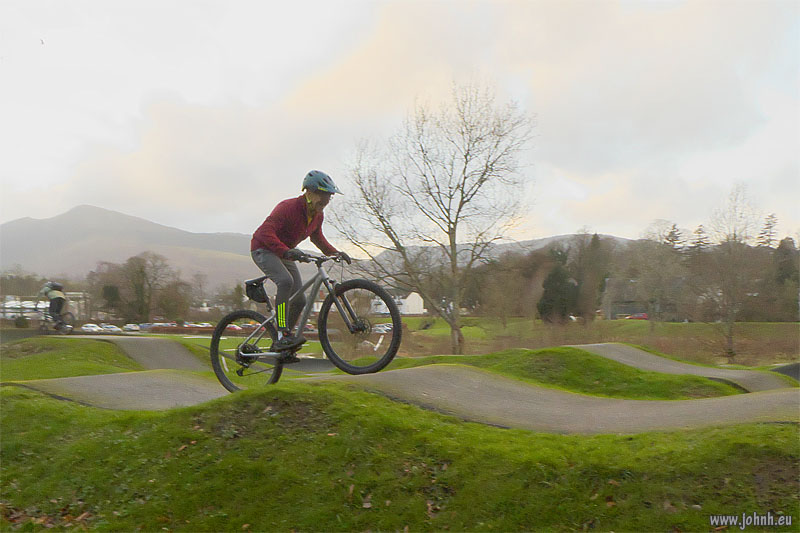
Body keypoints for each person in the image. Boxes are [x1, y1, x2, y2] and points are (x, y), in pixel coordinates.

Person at [251, 170, 351, 351]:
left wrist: (335, 253)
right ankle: (281, 333)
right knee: (285, 281)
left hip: (284, 252)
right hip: (263, 248)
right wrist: (287, 251)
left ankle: (283, 342)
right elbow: (265, 232)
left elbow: (317, 238)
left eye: (329, 196)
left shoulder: (318, 215)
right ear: (309, 192)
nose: (326, 200)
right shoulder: (288, 207)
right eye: (323, 195)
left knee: (300, 301)